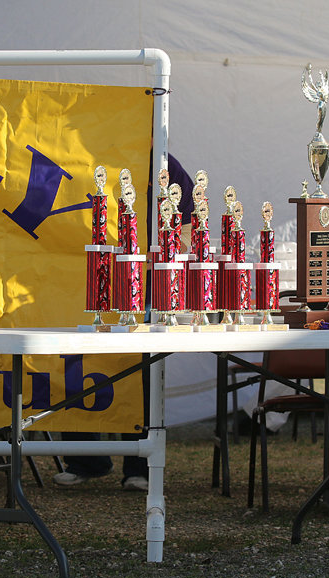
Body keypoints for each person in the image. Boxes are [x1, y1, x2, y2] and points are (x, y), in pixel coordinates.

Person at [53, 154, 196, 491]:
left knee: (143, 370)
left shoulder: (168, 167)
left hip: (142, 284)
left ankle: (140, 466)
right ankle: (84, 459)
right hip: (86, 276)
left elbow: (189, 231)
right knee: (78, 359)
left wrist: (158, 256)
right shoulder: (86, 148)